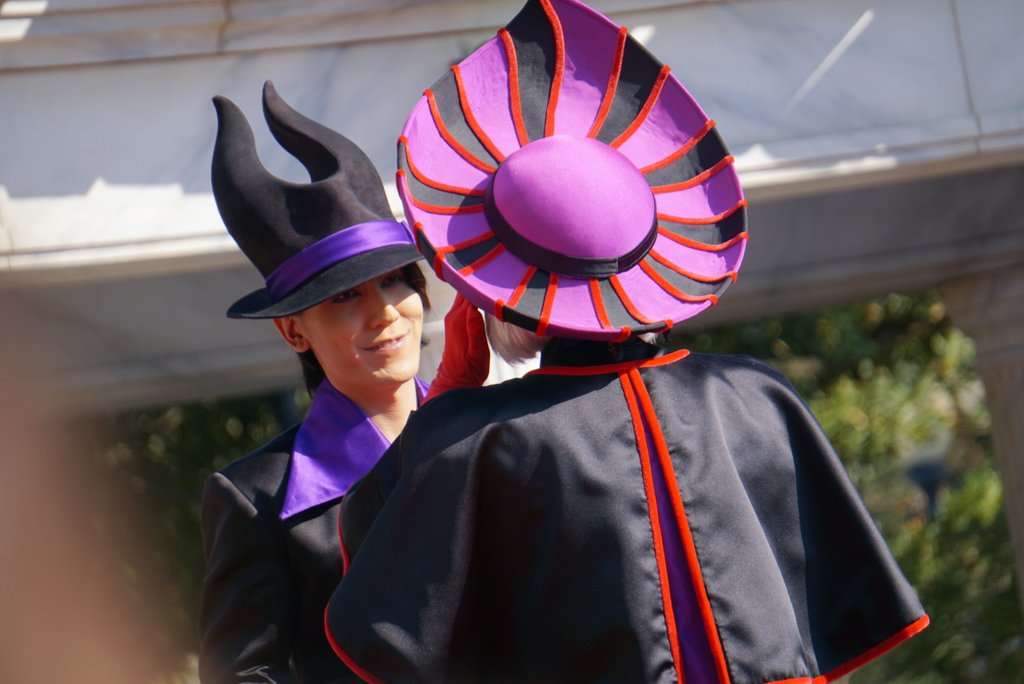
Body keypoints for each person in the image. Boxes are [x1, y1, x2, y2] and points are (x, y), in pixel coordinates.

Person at [324, 1, 928, 682]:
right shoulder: (759, 397)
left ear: (500, 289)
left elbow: (380, 587)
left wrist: (446, 408)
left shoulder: (478, 439)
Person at [198, 82, 487, 683]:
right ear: (293, 332)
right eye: (345, 296)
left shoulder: (495, 438)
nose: (384, 312)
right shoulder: (255, 497)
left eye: (394, 280)